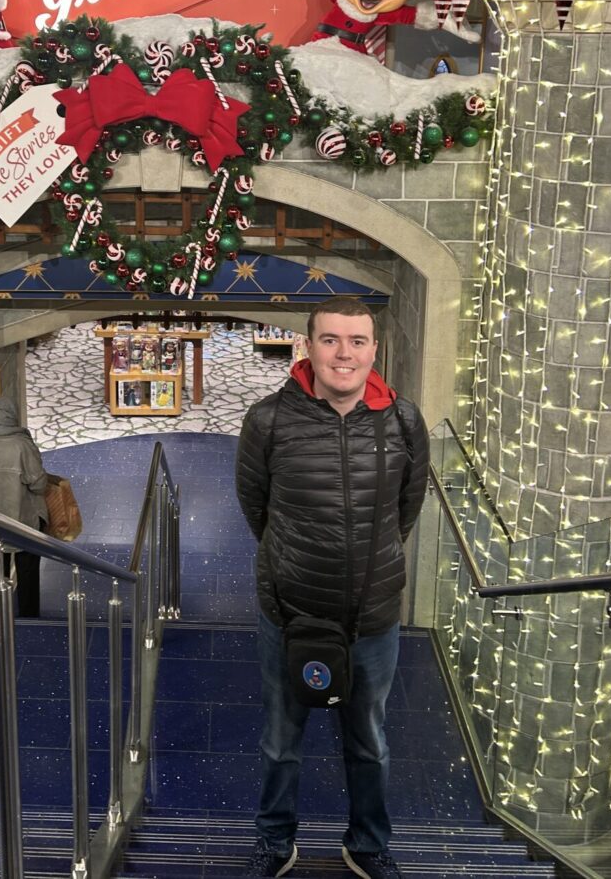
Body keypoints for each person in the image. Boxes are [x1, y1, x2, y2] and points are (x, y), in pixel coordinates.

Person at [235, 297, 430, 879]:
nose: (344, 354)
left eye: (357, 341)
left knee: (369, 741)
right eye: (330, 340)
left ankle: (367, 843)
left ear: (374, 350)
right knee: (280, 741)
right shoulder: (268, 421)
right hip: (289, 614)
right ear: (309, 346)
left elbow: (405, 510)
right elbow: (256, 506)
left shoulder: (404, 421)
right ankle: (275, 841)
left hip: (373, 620)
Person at [0, 395, 57, 617]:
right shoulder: (21, 447)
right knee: (28, 575)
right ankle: (28, 619)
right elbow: (39, 485)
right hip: (23, 523)